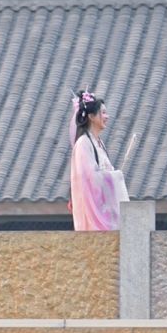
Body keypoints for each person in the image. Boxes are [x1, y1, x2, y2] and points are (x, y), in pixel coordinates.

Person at [69, 90, 128, 231]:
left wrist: (112, 175)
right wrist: (115, 176)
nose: (107, 117)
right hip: (94, 215)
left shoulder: (99, 143)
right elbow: (89, 179)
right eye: (103, 113)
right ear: (91, 116)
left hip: (105, 209)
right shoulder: (83, 144)